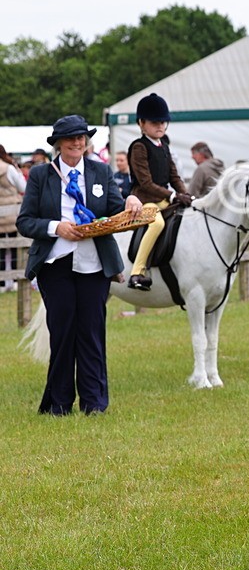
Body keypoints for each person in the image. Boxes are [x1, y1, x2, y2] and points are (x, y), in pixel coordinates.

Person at [16, 115, 143, 414]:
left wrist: (131, 201)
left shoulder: (101, 171)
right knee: (62, 333)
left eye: (82, 137)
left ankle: (95, 403)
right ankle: (58, 404)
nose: (77, 142)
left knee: (91, 332)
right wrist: (55, 227)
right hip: (55, 264)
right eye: (71, 138)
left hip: (94, 265)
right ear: (58, 143)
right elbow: (25, 221)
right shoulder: (40, 175)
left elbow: (115, 208)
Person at [127, 93, 192, 290]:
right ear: (141, 123)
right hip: (145, 199)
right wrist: (172, 195)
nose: (160, 126)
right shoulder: (139, 147)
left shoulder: (164, 145)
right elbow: (145, 183)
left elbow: (174, 176)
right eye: (155, 122)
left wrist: (186, 195)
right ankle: (137, 272)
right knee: (157, 224)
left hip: (163, 198)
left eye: (163, 122)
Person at [0, 144, 27, 291]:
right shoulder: (8, 168)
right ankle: (15, 281)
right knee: (14, 246)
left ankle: (3, 282)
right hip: (11, 211)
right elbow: (23, 187)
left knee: (2, 249)